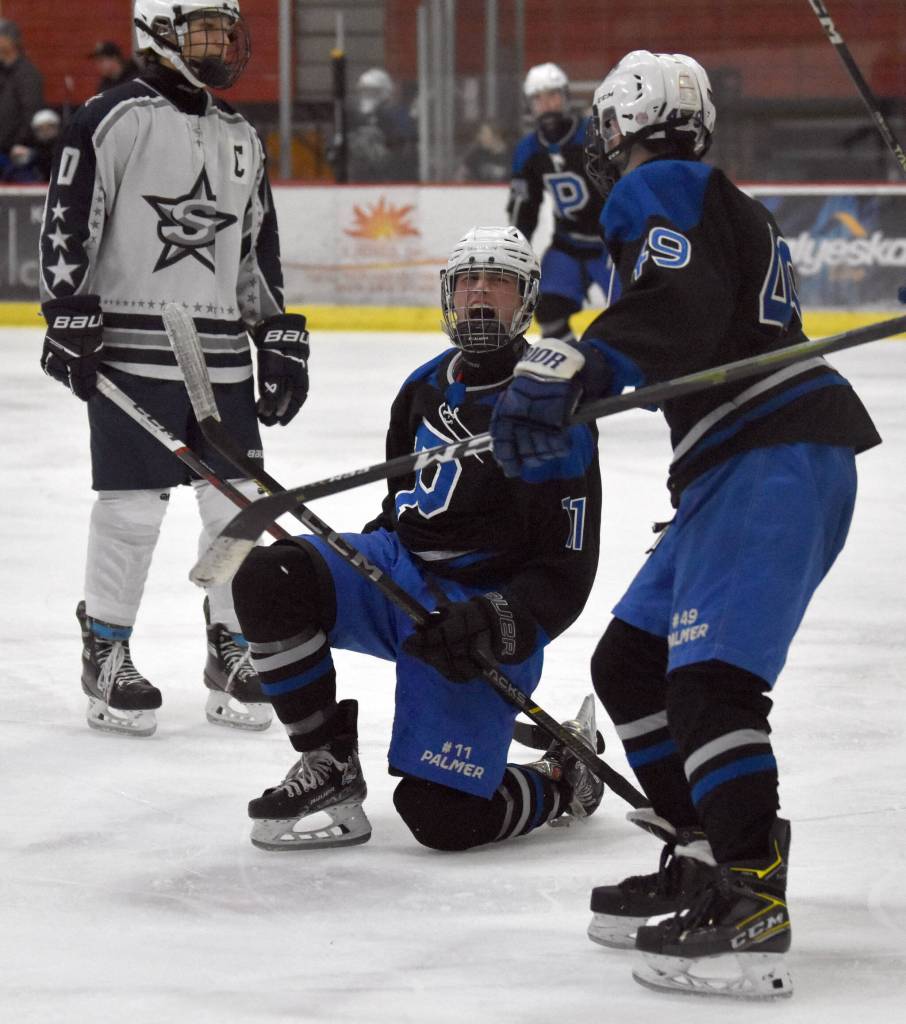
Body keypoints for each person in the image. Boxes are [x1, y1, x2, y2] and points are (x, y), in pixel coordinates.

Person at [490, 51, 881, 999]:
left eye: (605, 123)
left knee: (710, 682)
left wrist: (582, 365)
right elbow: (698, 312)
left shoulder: (659, 184)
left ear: (626, 121)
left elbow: (683, 304)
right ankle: (705, 851)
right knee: (630, 661)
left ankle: (751, 894)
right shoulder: (710, 191)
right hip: (745, 460)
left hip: (772, 455)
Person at [230, 225, 604, 852]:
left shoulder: (552, 413)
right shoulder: (422, 388)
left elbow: (568, 568)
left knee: (444, 818)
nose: (481, 296)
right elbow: (403, 506)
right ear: (448, 295)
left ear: (528, 300)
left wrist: (492, 620)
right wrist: (356, 554)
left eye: (500, 284)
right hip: (402, 573)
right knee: (274, 576)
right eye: (468, 283)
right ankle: (330, 767)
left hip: (478, 611)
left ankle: (565, 776)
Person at [38, 1, 310, 739]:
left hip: (220, 350)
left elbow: (256, 252)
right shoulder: (111, 117)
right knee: (132, 507)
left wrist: (278, 331)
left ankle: (232, 646)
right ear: (158, 34)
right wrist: (68, 308)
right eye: (203, 33)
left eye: (226, 32)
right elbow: (69, 217)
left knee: (239, 507)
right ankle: (107, 648)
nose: (220, 46)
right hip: (133, 341)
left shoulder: (241, 136)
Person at [507, 62, 613, 342]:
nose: (548, 105)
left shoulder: (594, 134)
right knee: (548, 312)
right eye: (539, 99)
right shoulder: (528, 150)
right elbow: (524, 207)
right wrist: (518, 246)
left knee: (638, 314)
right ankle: (575, 369)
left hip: (612, 244)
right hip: (568, 244)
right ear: (530, 105)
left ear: (566, 97)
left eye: (553, 95)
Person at [345, 67, 417, 182]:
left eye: (372, 91)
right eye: (364, 91)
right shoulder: (354, 118)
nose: (367, 95)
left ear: (385, 92)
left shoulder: (398, 116)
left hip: (391, 180)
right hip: (360, 179)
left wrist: (384, 153)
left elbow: (406, 151)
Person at [0, 19, 44, 161]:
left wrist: (18, 143)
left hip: (15, 152)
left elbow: (31, 111)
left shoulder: (27, 74)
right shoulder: (3, 71)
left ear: (10, 41)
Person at [2, 108, 60, 182]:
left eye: (49, 127)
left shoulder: (61, 145)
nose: (45, 132)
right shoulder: (29, 143)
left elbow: (48, 158)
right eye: (41, 129)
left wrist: (32, 154)